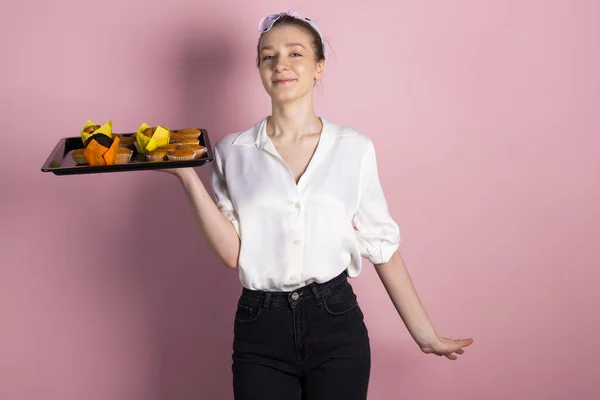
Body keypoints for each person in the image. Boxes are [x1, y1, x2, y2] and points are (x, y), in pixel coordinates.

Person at [162, 10, 473, 400]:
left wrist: (423, 334)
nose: (281, 65)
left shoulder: (354, 149)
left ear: (318, 66)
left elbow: (382, 247)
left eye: (295, 54)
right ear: (258, 67)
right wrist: (187, 176)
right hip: (260, 328)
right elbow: (233, 253)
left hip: (335, 322)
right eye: (268, 56)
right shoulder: (231, 151)